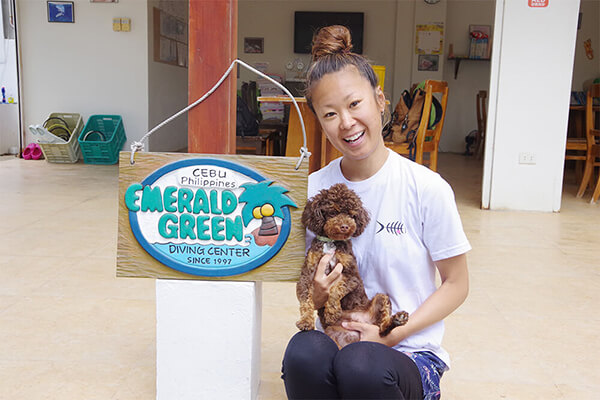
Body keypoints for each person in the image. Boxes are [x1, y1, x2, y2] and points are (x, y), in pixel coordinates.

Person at [281, 25, 471, 400]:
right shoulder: (314, 190)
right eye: (330, 113)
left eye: (355, 104)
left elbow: (457, 283)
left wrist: (393, 334)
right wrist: (317, 295)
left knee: (362, 364)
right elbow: (308, 285)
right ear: (319, 122)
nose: (346, 123)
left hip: (407, 354)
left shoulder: (425, 187)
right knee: (302, 352)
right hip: (339, 341)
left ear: (379, 100)